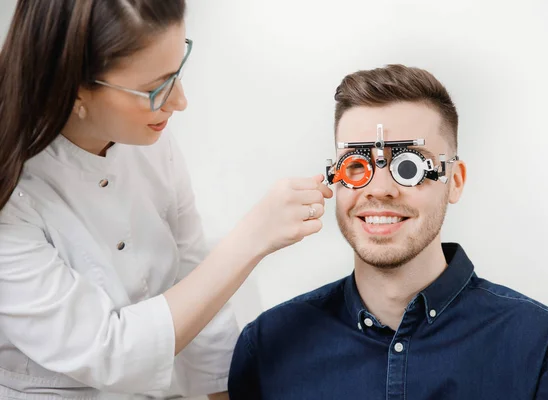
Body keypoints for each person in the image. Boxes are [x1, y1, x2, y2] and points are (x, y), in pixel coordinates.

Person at [0, 1, 332, 399]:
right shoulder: (13, 194)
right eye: (154, 89)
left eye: (177, 73)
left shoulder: (148, 141)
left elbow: (193, 280)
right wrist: (251, 239)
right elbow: (109, 351)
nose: (179, 102)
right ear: (74, 90)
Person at [228, 64, 548, 399]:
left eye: (409, 167)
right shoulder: (266, 347)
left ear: (455, 181)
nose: (380, 189)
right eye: (358, 166)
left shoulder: (547, 348)